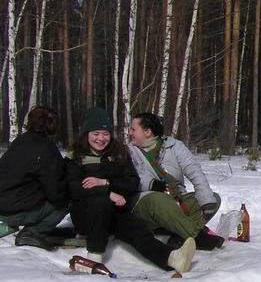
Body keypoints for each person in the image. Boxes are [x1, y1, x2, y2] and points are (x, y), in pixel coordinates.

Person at [66, 108, 196, 273]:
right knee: (99, 202)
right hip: (86, 216)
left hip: (114, 212)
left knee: (137, 230)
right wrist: (108, 193)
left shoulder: (119, 153)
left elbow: (132, 182)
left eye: (105, 134)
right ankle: (94, 259)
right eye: (96, 133)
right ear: (87, 134)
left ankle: (172, 258)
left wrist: (106, 183)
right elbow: (75, 189)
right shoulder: (75, 157)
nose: (101, 138)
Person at [127, 112, 223, 250]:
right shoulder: (129, 151)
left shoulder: (174, 146)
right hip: (147, 202)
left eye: (133, 129)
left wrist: (205, 199)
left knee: (213, 199)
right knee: (159, 200)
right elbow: (134, 176)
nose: (130, 133)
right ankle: (197, 237)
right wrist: (153, 184)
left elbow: (194, 170)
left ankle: (176, 235)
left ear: (147, 132)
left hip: (177, 199)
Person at [0, 105, 69, 250]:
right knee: (65, 202)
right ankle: (33, 232)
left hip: (3, 205)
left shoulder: (19, 142)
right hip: (16, 210)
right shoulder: (47, 149)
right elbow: (56, 192)